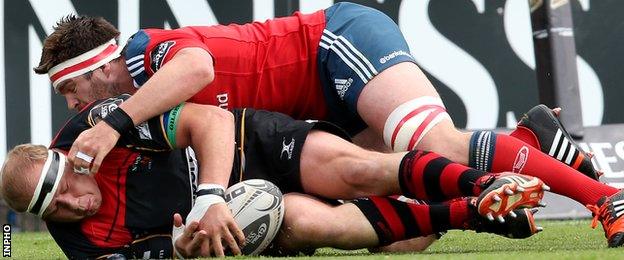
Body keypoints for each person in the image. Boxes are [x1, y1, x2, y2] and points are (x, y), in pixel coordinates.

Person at [35, 2, 622, 248]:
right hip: (315, 113)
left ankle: (607, 199)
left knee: (435, 143)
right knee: (407, 240)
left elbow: (200, 66)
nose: (70, 106)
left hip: (333, 44)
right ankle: (529, 144)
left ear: (101, 67)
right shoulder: (135, 102)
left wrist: (112, 119)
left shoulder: (141, 55)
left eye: (70, 89)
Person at [0, 95, 543, 258]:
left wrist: (208, 196)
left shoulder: (96, 130)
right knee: (374, 237)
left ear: (66, 159)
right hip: (247, 221)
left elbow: (206, 119)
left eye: (64, 187)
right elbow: (170, 254)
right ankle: (478, 214)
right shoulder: (82, 245)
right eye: (54, 209)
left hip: (244, 144)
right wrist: (188, 248)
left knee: (359, 172)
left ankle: (482, 185)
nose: (73, 205)